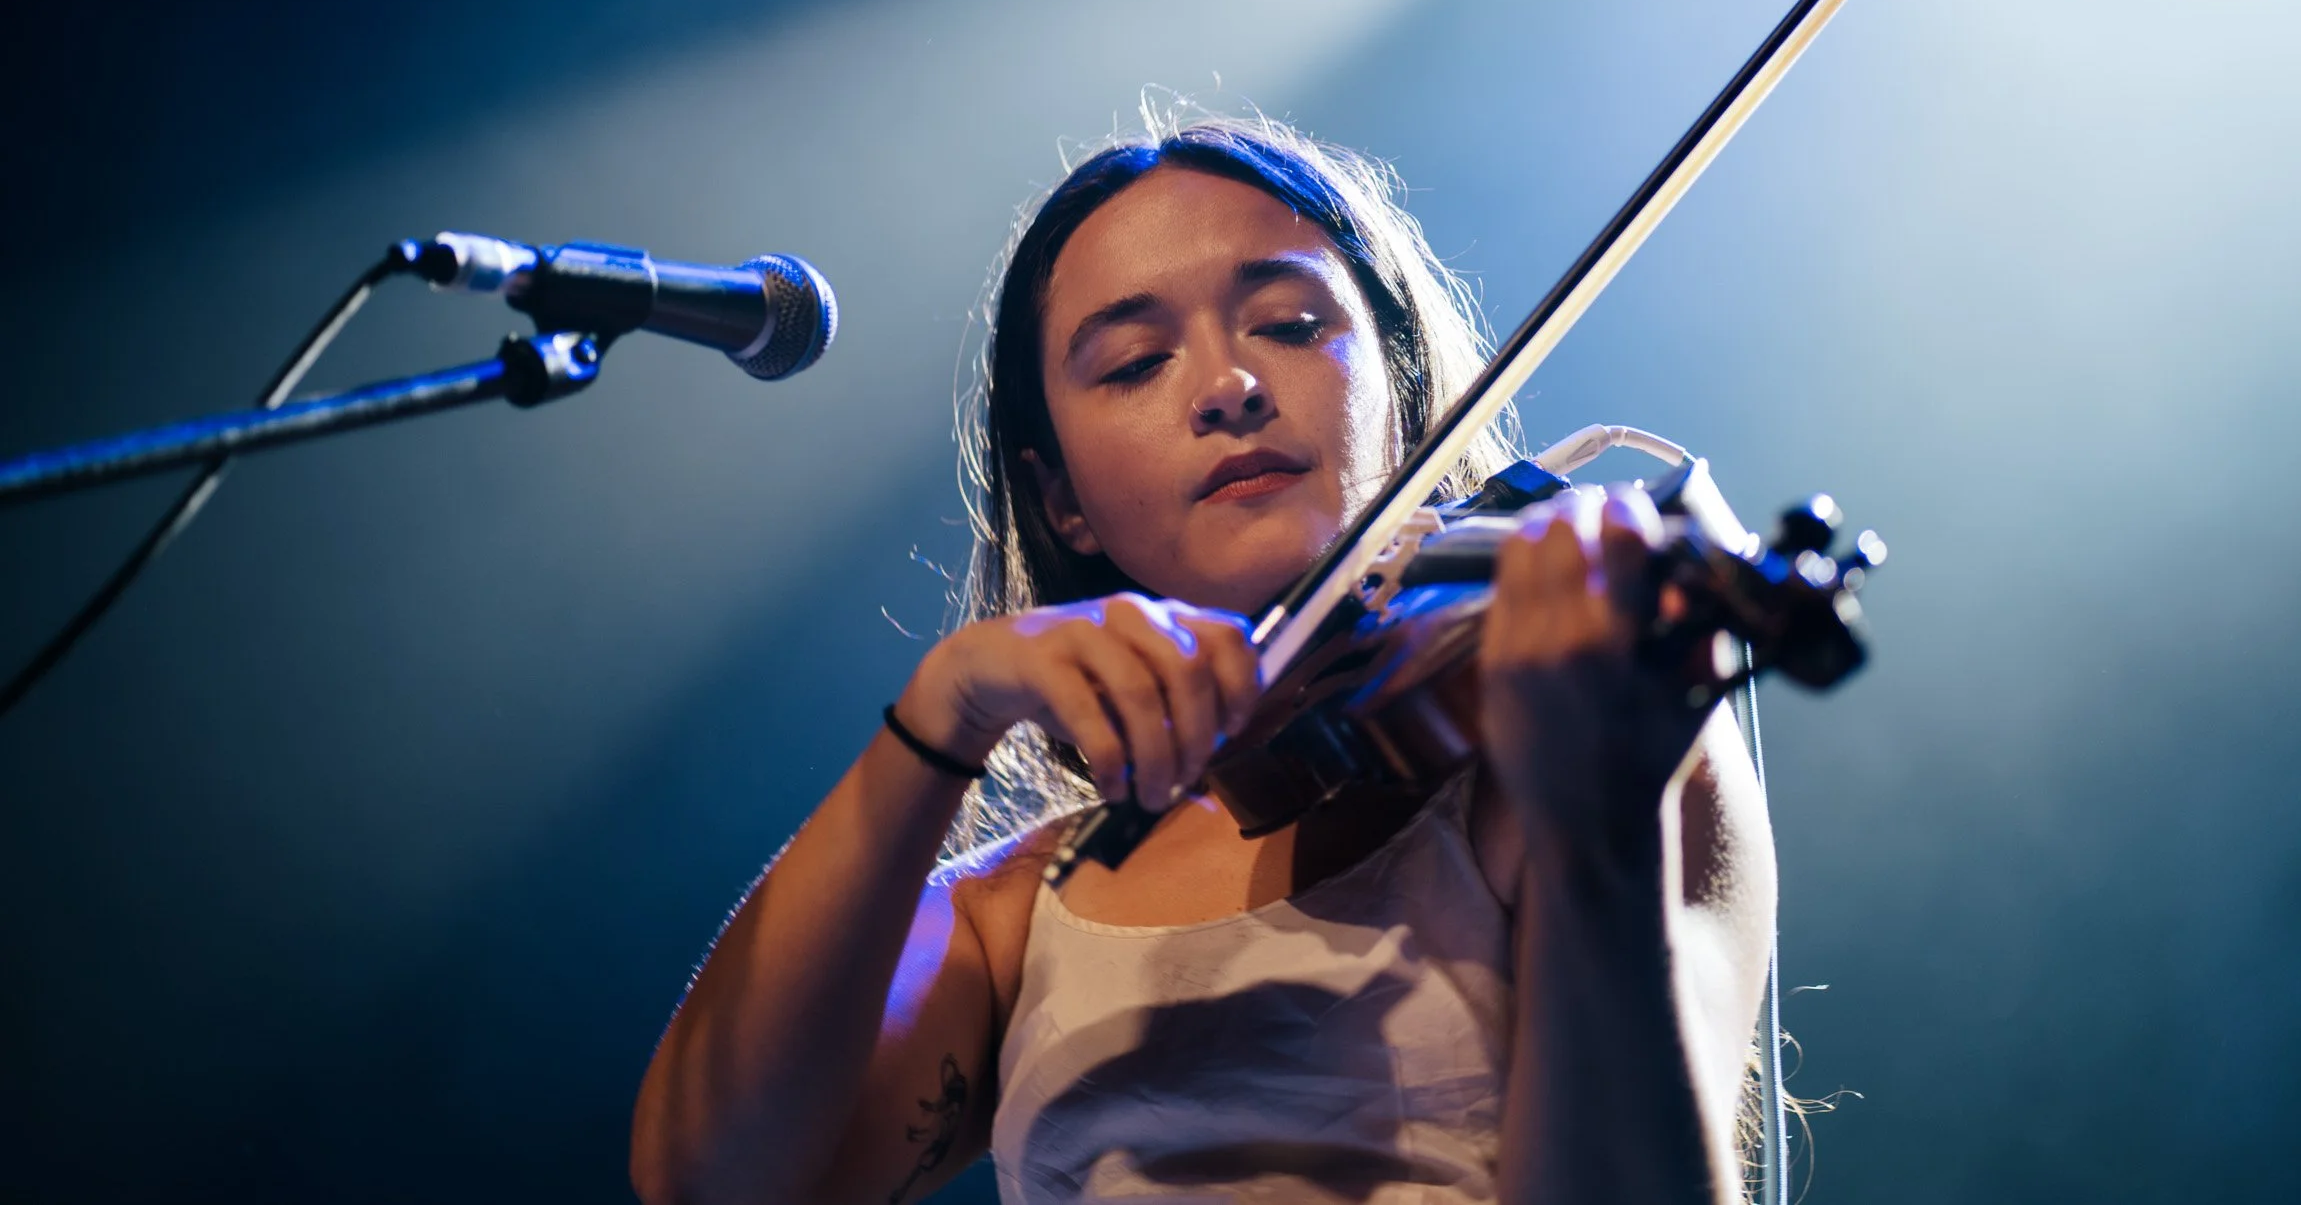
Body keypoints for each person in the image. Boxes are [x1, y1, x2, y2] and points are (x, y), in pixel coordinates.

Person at [630, 113, 1776, 1205]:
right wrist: (944, 713)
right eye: (1134, 362)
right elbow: (706, 1179)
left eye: (1289, 324)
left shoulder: (1575, 745)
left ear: (1402, 391)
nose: (1229, 385)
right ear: (1060, 500)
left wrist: (1596, 829)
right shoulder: (1019, 912)